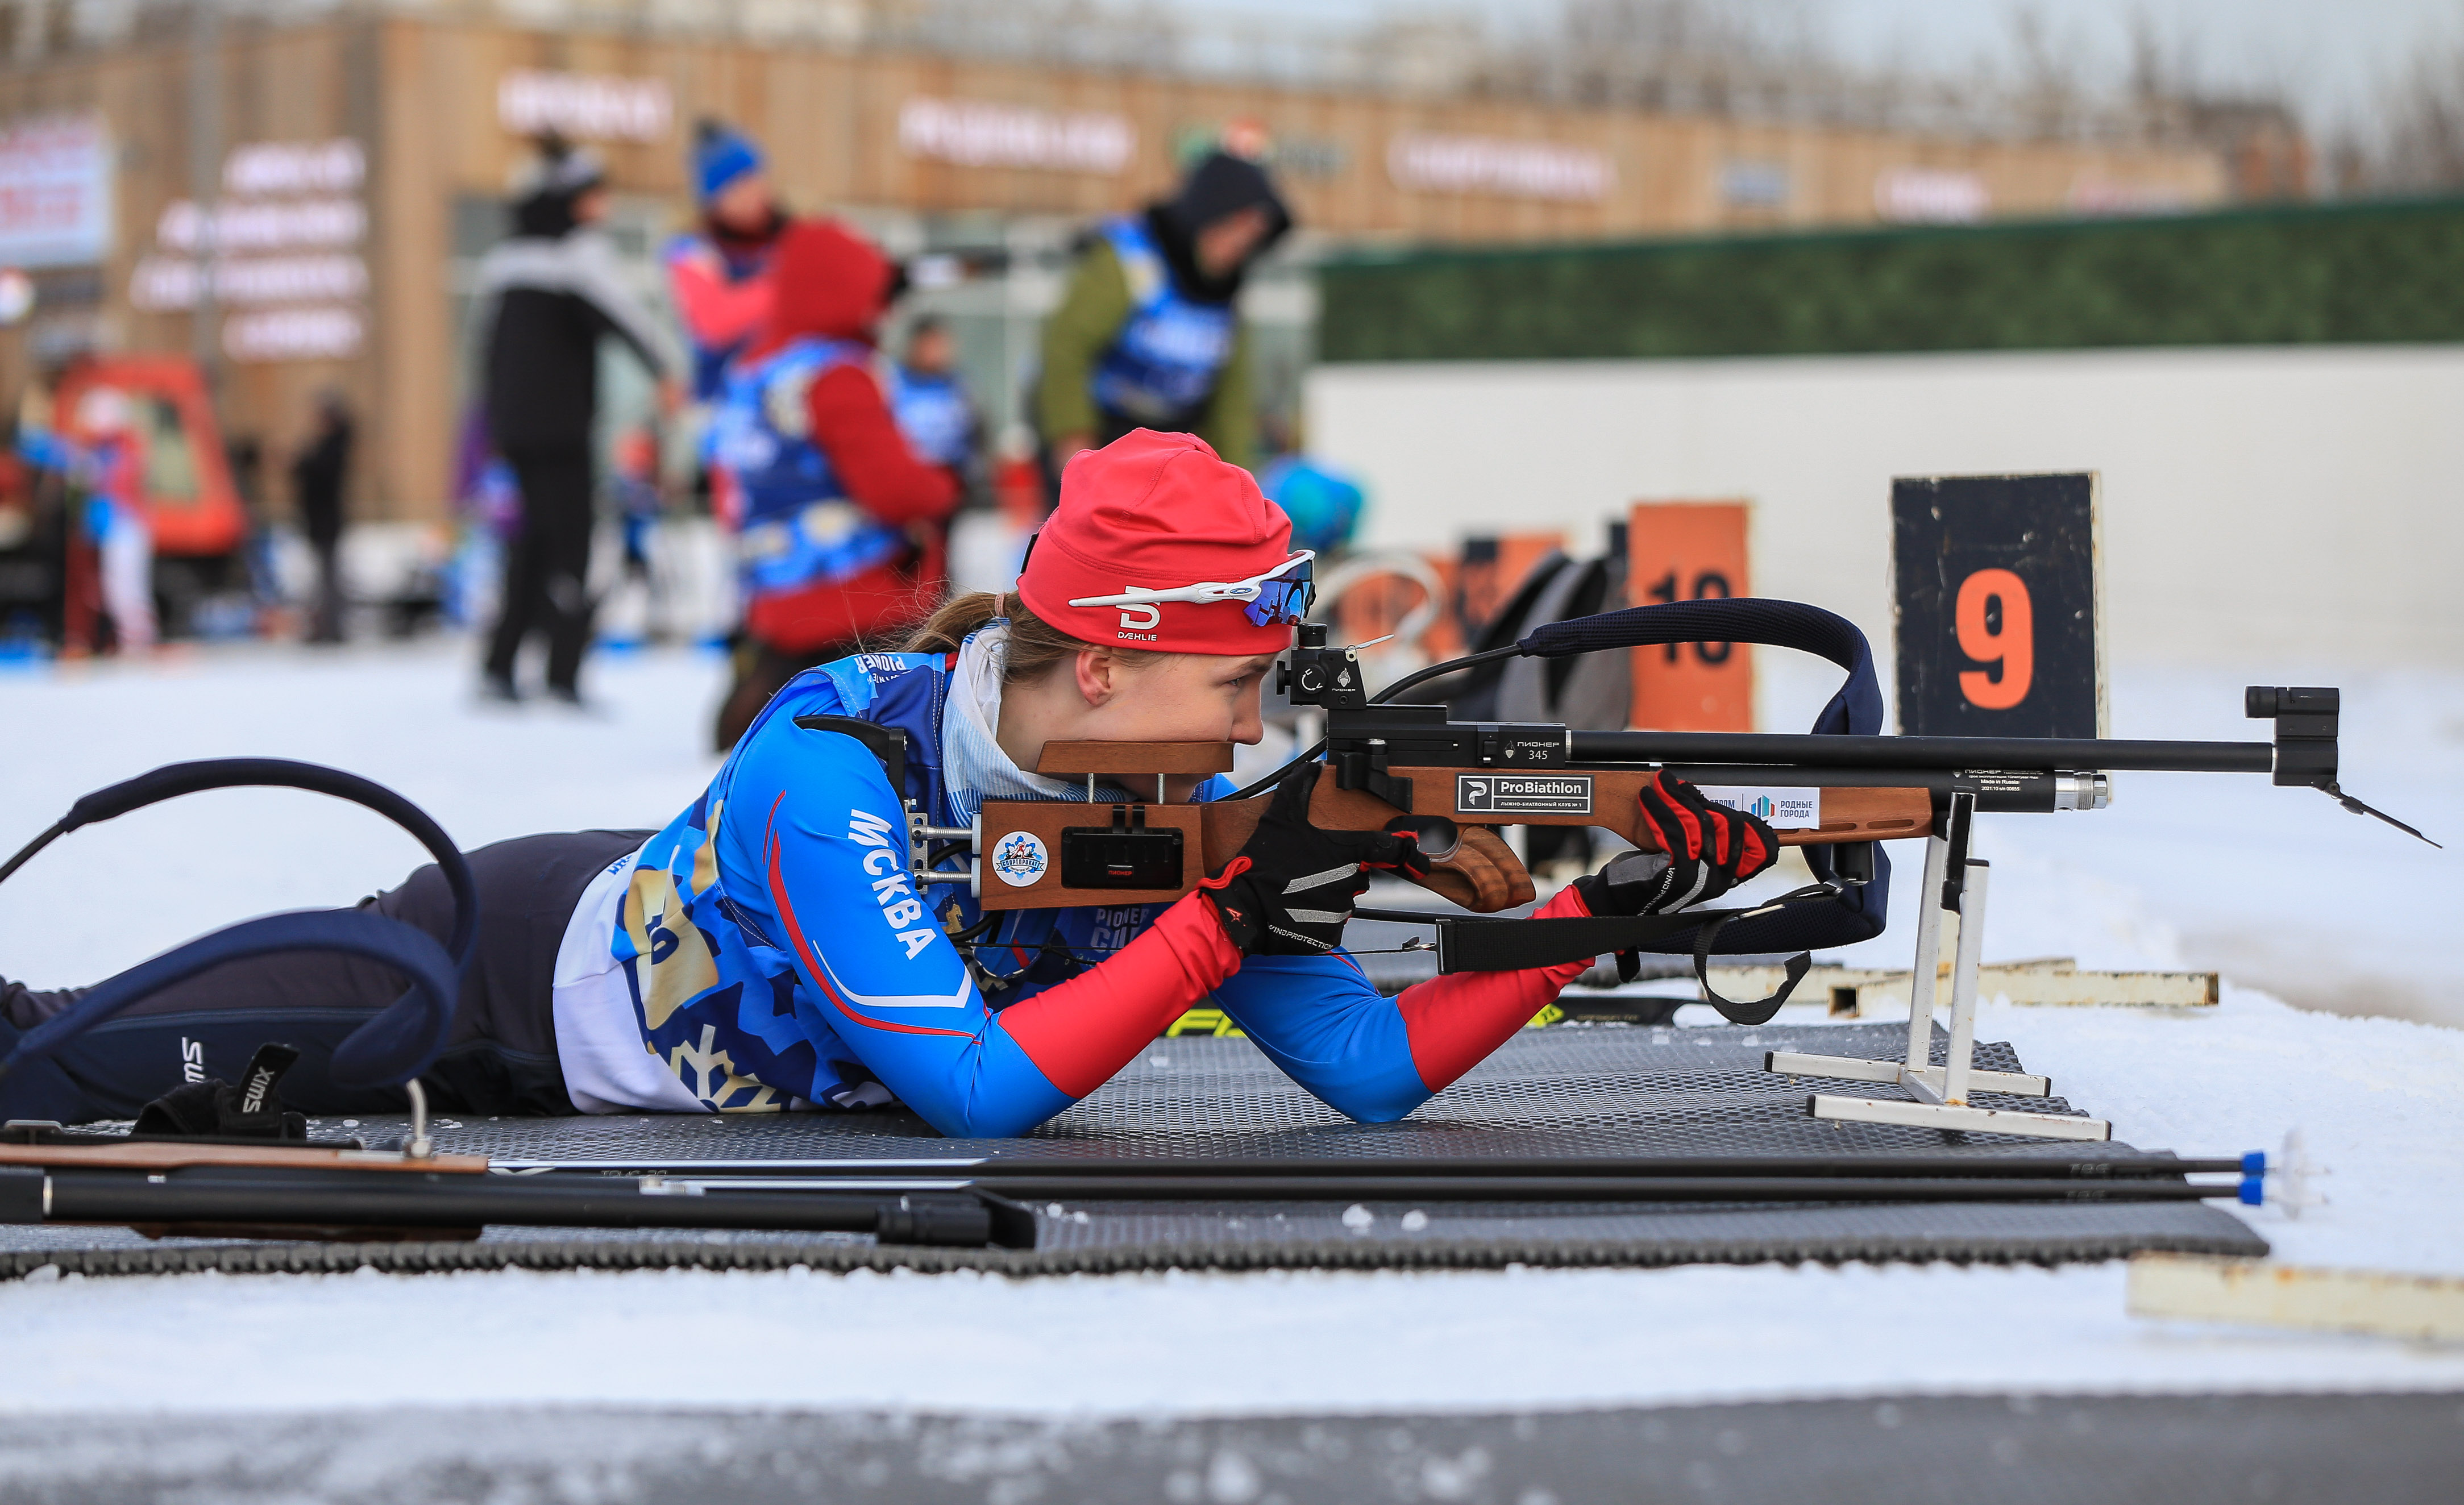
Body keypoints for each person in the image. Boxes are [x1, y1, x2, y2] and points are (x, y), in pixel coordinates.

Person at [0, 430, 1782, 1135]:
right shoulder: (832, 757)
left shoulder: (1189, 828)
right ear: (1100, 663)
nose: (1255, 735)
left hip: (605, 1052)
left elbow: (1368, 1074)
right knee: (64, 1052)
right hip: (492, 960)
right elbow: (979, 1097)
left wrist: (1590, 913)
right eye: (1236, 686)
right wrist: (1219, 924)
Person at [705, 219, 961, 750]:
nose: (883, 311)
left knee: (785, 688)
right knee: (883, 712)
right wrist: (941, 489)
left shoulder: (756, 372)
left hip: (774, 575)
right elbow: (891, 486)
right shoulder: (837, 374)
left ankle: (745, 729)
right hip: (851, 584)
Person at [475, 136, 680, 705]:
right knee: (573, 551)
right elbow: (627, 317)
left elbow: (487, 355)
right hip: (562, 433)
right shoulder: (578, 256)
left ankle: (500, 665)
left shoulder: (504, 261)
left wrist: (492, 428)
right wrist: (666, 371)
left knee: (528, 548)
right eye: (597, 194)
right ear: (574, 199)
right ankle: (562, 673)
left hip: (516, 433)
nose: (605, 206)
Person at [1034, 152, 1290, 476]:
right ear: (1208, 211)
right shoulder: (1131, 258)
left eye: (1251, 239)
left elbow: (1232, 395)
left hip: (1174, 438)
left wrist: (1240, 480)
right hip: (1103, 427)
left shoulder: (1226, 291)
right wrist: (1073, 440)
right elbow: (1066, 345)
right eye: (1231, 228)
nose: (1237, 245)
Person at [664, 120, 788, 405]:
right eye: (735, 188)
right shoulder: (691, 249)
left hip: (785, 395)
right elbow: (714, 323)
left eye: (753, 180)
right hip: (718, 399)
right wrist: (785, 285)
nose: (751, 195)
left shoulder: (789, 235)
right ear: (712, 198)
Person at [70, 386, 155, 656]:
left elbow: (116, 485)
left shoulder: (124, 450)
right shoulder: (104, 450)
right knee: (113, 587)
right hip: (117, 527)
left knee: (124, 587)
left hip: (125, 527)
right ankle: (129, 639)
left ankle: (137, 641)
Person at [886, 315, 982, 500]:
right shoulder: (893, 382)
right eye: (931, 345)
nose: (938, 352)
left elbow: (976, 431)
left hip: (952, 479)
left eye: (942, 345)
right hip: (909, 478)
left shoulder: (959, 385)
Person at [289, 390, 353, 645]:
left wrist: (300, 462)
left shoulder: (333, 447)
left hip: (326, 521)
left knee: (328, 579)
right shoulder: (329, 445)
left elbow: (316, 473)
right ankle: (327, 627)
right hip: (320, 521)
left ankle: (331, 629)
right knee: (325, 578)